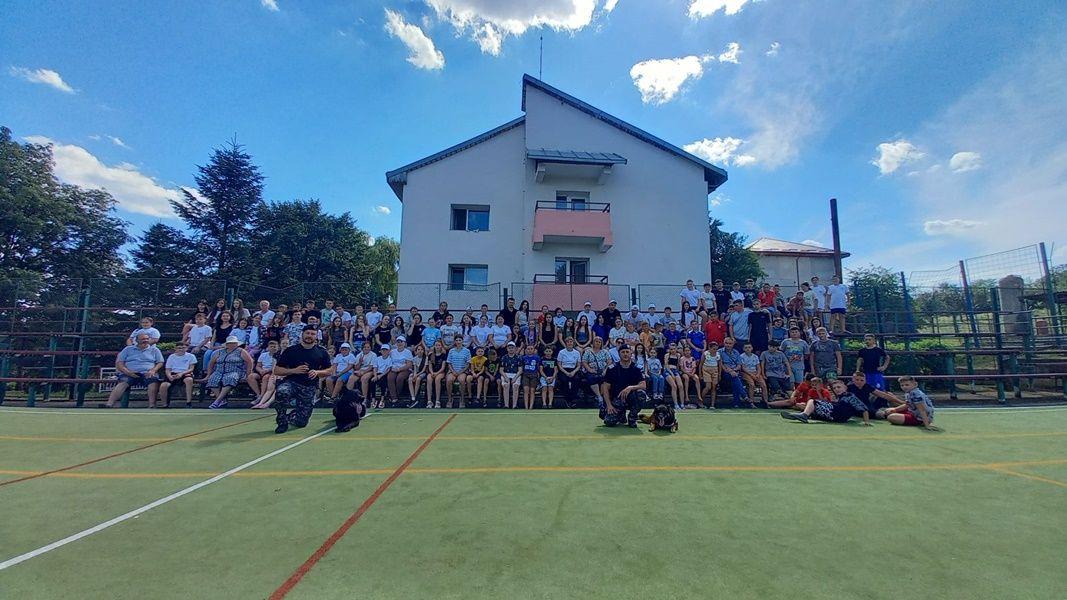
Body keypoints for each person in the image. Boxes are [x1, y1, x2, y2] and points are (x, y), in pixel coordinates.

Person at [271, 326, 333, 433]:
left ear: (316, 336)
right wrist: (294, 370)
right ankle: (282, 421)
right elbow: (277, 370)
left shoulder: (322, 352)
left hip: (309, 386)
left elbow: (329, 370)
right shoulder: (291, 350)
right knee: (282, 391)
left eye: (312, 334)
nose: (309, 336)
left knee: (301, 422)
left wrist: (317, 372)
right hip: (291, 382)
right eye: (307, 333)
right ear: (302, 334)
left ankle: (292, 416)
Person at [105, 333, 163, 408]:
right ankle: (109, 404)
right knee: (122, 383)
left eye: (147, 339)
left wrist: (153, 370)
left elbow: (160, 362)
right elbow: (120, 363)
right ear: (137, 340)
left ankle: (152, 405)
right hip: (129, 373)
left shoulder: (155, 350)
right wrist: (127, 372)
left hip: (148, 373)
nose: (145, 340)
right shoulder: (127, 349)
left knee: (153, 382)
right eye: (143, 339)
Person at [781, 379, 871, 426]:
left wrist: (866, 422)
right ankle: (802, 414)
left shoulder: (849, 396)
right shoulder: (840, 398)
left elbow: (864, 409)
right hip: (836, 417)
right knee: (811, 408)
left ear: (845, 387)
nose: (836, 389)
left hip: (837, 413)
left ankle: (804, 415)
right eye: (835, 388)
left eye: (839, 387)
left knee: (812, 401)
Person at [600, 345, 647, 428]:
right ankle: (621, 415)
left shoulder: (637, 368)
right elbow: (605, 388)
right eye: (623, 352)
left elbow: (643, 385)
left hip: (631, 398)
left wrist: (630, 388)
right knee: (609, 422)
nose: (625, 354)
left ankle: (632, 417)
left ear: (631, 354)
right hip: (617, 399)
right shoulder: (612, 369)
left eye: (627, 352)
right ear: (619, 354)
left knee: (641, 394)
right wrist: (609, 405)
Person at [205, 336, 253, 410]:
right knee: (212, 379)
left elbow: (250, 361)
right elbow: (211, 363)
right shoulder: (219, 352)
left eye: (234, 343)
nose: (233, 345)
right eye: (231, 343)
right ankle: (221, 400)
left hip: (234, 371)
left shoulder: (241, 351)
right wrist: (209, 374)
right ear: (227, 344)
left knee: (230, 379)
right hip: (219, 371)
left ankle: (217, 401)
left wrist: (248, 373)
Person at [159, 342, 197, 408]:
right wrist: (169, 376)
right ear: (176, 349)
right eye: (179, 348)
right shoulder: (171, 357)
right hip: (173, 373)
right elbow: (168, 369)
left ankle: (188, 403)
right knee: (163, 385)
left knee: (189, 380)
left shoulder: (191, 356)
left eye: (183, 348)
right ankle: (165, 404)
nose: (181, 349)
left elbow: (191, 369)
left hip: (185, 373)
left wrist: (181, 374)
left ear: (186, 348)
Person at [718, 337, 751, 408]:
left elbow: (739, 365)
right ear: (724, 343)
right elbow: (721, 364)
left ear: (733, 344)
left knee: (735, 379)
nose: (728, 345)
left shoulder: (736, 352)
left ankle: (736, 403)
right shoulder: (720, 352)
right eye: (726, 343)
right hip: (725, 372)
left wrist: (734, 370)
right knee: (735, 377)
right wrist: (730, 371)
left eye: (730, 343)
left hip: (735, 371)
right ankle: (744, 395)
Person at [582, 336, 611, 408]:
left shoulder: (605, 352)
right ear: (593, 342)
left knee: (605, 379)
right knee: (591, 378)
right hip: (592, 370)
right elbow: (584, 362)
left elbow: (609, 361)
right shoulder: (588, 351)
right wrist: (589, 369)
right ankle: (599, 397)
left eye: (599, 342)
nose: (598, 343)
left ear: (601, 343)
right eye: (596, 341)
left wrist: (605, 370)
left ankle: (601, 397)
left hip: (603, 371)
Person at [250, 340, 280, 408]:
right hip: (262, 371)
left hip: (272, 372)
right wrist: (260, 370)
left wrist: (268, 371)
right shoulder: (263, 355)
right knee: (251, 377)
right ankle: (259, 395)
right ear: (268, 347)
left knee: (265, 377)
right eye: (271, 346)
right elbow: (258, 366)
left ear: (278, 347)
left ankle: (262, 397)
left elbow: (275, 367)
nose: (273, 348)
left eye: (274, 347)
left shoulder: (278, 355)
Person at [446, 337, 472, 408]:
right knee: (449, 380)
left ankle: (462, 400)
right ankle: (449, 399)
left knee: (462, 380)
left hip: (462, 371)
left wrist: (461, 371)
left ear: (462, 341)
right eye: (456, 340)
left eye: (460, 340)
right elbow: (449, 363)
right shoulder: (451, 350)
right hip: (452, 371)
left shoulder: (467, 351)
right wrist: (453, 371)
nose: (458, 342)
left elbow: (468, 364)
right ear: (454, 341)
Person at [556, 337, 582, 407]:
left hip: (574, 369)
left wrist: (573, 372)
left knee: (576, 379)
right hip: (563, 369)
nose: (569, 343)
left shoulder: (577, 352)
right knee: (564, 380)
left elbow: (579, 365)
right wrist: (566, 373)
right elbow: (559, 364)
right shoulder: (561, 352)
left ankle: (573, 399)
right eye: (568, 342)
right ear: (566, 343)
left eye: (571, 342)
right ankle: (567, 400)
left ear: (573, 343)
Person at [368, 344, 393, 409]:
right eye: (383, 350)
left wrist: (380, 376)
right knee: (372, 381)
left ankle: (382, 399)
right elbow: (375, 368)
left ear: (388, 351)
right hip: (377, 374)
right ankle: (373, 399)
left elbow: (388, 369)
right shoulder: (377, 359)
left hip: (384, 374)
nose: (384, 351)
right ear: (381, 351)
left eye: (386, 350)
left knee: (383, 382)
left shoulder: (390, 359)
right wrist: (375, 376)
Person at [498, 341, 522, 409]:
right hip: (506, 373)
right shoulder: (504, 357)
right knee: (506, 385)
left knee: (515, 386)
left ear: (515, 348)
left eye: (512, 348)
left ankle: (514, 405)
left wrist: (515, 378)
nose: (511, 349)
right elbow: (501, 370)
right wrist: (505, 377)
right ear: (507, 349)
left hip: (516, 374)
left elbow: (520, 370)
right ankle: (506, 405)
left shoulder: (518, 358)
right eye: (509, 348)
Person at [424, 339, 448, 408]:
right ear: (434, 346)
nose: (437, 346)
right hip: (432, 372)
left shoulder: (443, 355)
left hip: (440, 372)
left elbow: (443, 367)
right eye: (436, 345)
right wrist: (432, 373)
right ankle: (429, 401)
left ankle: (437, 401)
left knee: (437, 379)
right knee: (429, 378)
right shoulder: (431, 355)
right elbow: (430, 366)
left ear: (441, 346)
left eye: (439, 345)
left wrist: (437, 373)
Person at [700, 341, 720, 409]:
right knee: (708, 387)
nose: (715, 350)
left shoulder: (718, 354)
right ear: (709, 348)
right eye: (713, 349)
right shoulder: (705, 354)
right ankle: (700, 401)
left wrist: (719, 374)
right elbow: (701, 364)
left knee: (714, 388)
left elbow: (719, 365)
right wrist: (700, 374)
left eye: (716, 349)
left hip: (715, 371)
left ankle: (712, 404)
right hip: (706, 370)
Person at [663, 344, 684, 410]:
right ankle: (676, 404)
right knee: (674, 386)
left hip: (675, 371)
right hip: (668, 371)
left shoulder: (678, 355)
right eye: (671, 349)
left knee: (680, 386)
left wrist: (677, 373)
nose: (673, 350)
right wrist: (671, 373)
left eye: (674, 349)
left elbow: (677, 365)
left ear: (676, 349)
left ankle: (682, 404)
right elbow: (666, 365)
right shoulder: (667, 355)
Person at [521, 344, 541, 410]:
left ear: (534, 350)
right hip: (525, 375)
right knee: (526, 390)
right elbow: (522, 367)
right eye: (528, 349)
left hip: (534, 375)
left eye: (531, 349)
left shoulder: (537, 358)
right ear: (526, 350)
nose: (530, 350)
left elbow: (538, 367)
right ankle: (526, 407)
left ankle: (531, 407)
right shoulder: (523, 358)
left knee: (532, 391)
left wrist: (538, 375)